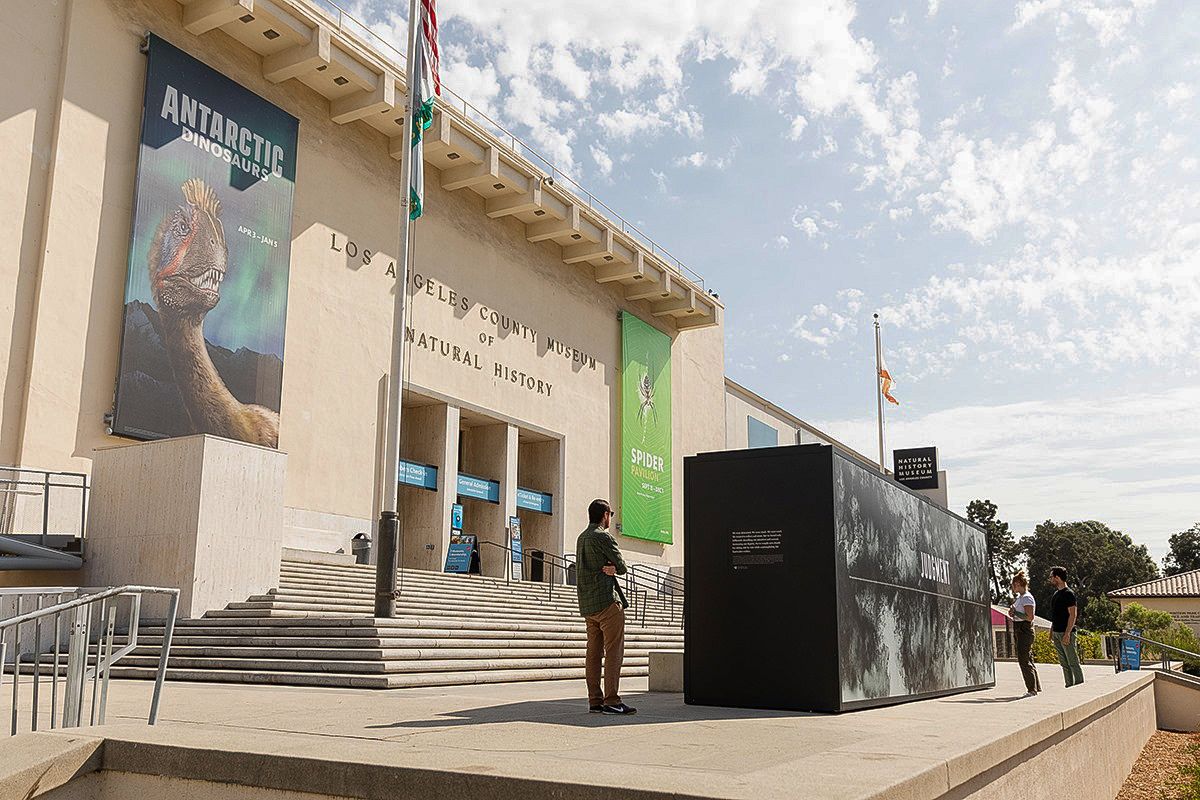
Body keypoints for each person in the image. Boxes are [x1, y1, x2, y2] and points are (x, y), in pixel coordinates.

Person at [575, 498, 636, 715]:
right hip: (607, 603)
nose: (611, 517)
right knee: (613, 652)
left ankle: (595, 700)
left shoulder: (582, 538)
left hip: (588, 605)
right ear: (605, 515)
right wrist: (612, 568)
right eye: (610, 514)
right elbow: (622, 567)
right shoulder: (603, 536)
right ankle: (612, 700)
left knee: (593, 653)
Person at [1048, 566, 1085, 687]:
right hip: (1057, 633)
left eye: (1051, 576)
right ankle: (1068, 685)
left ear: (1057, 578)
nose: (1050, 579)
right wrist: (1051, 631)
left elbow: (1073, 615)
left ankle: (1079, 686)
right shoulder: (1055, 595)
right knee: (1064, 663)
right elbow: (1055, 615)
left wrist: (1067, 633)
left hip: (1066, 633)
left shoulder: (1069, 594)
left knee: (1072, 662)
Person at [1007, 570, 1041, 697]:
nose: (1012, 588)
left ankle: (1031, 688)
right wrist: (1013, 613)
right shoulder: (1020, 598)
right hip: (1019, 628)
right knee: (1028, 658)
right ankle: (1035, 686)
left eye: (1013, 585)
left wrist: (1015, 613)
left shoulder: (1027, 597)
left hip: (1025, 629)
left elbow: (1029, 616)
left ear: (1018, 584)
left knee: (1024, 659)